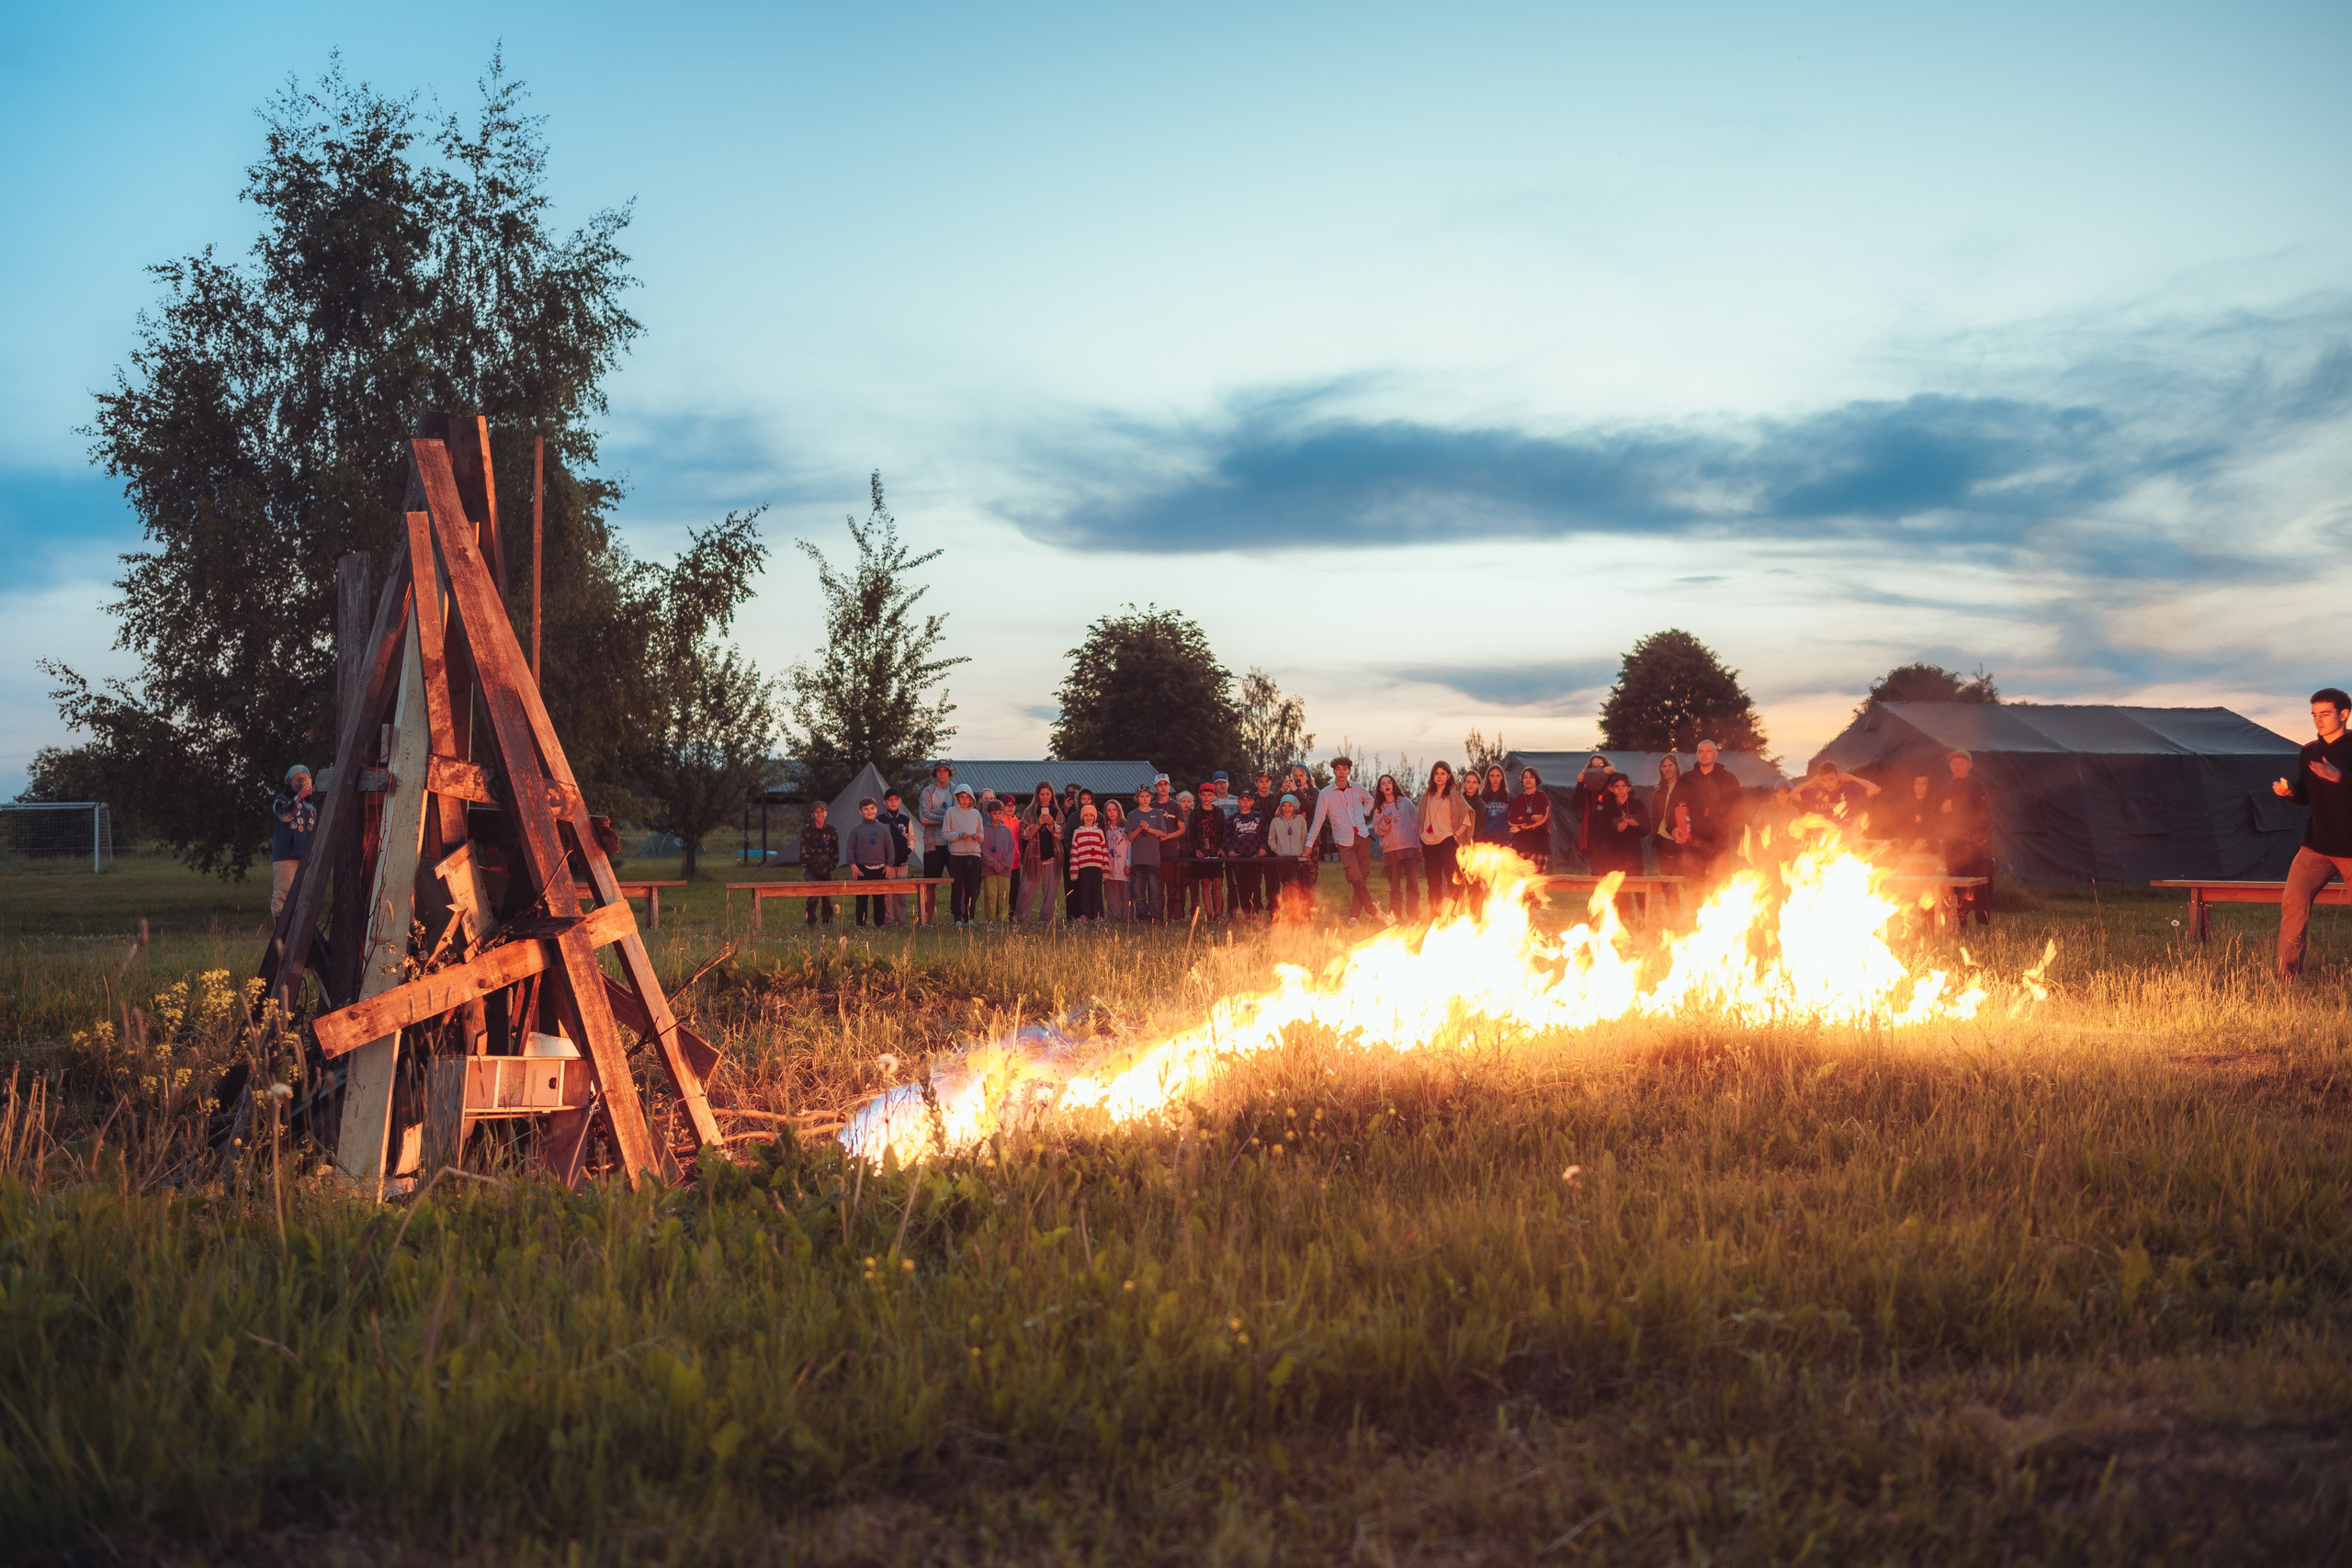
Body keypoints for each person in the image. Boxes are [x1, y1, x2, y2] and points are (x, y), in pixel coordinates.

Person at [2275, 689, 2352, 976]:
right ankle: (2287, 979)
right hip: (2317, 845)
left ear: (2343, 714)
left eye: (2325, 714)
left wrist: (2341, 778)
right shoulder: (2309, 751)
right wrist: (2292, 792)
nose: (2318, 720)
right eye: (2314, 715)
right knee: (2293, 905)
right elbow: (2307, 794)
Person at [1306, 756, 1379, 921]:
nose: (1341, 772)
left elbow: (1370, 801)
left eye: (1344, 769)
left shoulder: (1357, 788)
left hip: (1362, 837)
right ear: (1334, 771)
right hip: (1344, 841)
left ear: (1349, 771)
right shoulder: (1325, 794)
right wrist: (1309, 843)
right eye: (1338, 769)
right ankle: (1372, 910)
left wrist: (1364, 812)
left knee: (1363, 876)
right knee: (1355, 877)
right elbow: (1318, 820)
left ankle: (1354, 916)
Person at [1939, 749, 1996, 929]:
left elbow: (1982, 813)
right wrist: (1942, 812)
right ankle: (1960, 919)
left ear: (1969, 766)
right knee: (1955, 882)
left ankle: (1982, 921)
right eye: (1954, 763)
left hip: (1971, 842)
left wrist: (1977, 836)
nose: (1957, 766)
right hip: (1952, 843)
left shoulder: (1975, 785)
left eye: (1962, 763)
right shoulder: (1946, 787)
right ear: (1950, 766)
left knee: (1978, 881)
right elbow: (1939, 814)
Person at [1589, 774, 1651, 922]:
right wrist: (1617, 829)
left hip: (1634, 856)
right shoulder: (1607, 808)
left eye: (1623, 786)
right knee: (1620, 891)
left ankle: (1645, 919)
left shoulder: (1638, 805)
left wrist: (1636, 824)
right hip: (1614, 857)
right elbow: (1600, 833)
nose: (1620, 789)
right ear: (1611, 789)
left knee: (1639, 889)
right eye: (1617, 786)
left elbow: (1647, 829)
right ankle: (1625, 920)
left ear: (1629, 788)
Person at [1679, 740, 1745, 880]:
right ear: (1697, 754)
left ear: (1716, 754)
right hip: (1694, 842)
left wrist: (1723, 823)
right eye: (1701, 751)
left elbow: (1738, 807)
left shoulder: (1728, 779)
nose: (1704, 754)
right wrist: (1675, 827)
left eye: (1708, 751)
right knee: (1694, 882)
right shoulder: (1686, 779)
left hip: (1719, 841)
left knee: (1721, 882)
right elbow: (1675, 805)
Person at [1417, 761, 1469, 916]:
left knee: (1453, 879)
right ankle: (1435, 914)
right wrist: (1421, 836)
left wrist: (1455, 836)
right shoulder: (1427, 796)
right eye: (1436, 773)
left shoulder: (1454, 795)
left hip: (1447, 840)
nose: (1439, 777)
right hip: (1429, 843)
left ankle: (1454, 912)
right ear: (1432, 776)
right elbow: (1420, 818)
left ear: (1449, 776)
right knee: (1433, 882)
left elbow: (1467, 818)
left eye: (1442, 774)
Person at [1372, 773, 1422, 921]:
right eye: (1383, 783)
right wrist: (1386, 822)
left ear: (1393, 785)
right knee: (1394, 886)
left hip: (1410, 847)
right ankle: (1396, 917)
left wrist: (1419, 846)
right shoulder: (1379, 809)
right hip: (1391, 850)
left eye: (1389, 782)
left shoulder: (1406, 803)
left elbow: (1417, 824)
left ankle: (1413, 916)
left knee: (1412, 883)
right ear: (1380, 789)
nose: (1386, 785)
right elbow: (1378, 831)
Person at [269, 763, 316, 918]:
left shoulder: (310, 805)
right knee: (284, 893)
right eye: (298, 779)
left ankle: (298, 927)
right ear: (289, 781)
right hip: (286, 855)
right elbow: (285, 816)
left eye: (305, 779)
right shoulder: (280, 800)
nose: (302, 783)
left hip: (304, 856)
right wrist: (300, 796)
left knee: (303, 894)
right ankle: (281, 928)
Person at [1565, 754, 1624, 872]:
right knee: (1597, 870)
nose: (1598, 768)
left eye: (1601, 765)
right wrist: (1580, 783)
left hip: (1613, 833)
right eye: (1594, 766)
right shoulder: (1587, 789)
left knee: (1614, 869)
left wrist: (1614, 774)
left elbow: (1625, 794)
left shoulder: (1613, 784)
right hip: (1594, 835)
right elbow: (1576, 803)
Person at [1795, 759, 1882, 836]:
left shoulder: (1848, 791)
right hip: (1819, 843)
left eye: (1831, 779)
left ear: (1838, 777)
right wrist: (1812, 781)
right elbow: (1793, 795)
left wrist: (1852, 778)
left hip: (1843, 841)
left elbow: (1875, 789)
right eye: (1824, 780)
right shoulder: (1814, 793)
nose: (1828, 783)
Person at [917, 762, 956, 923]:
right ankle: (926, 919)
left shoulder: (957, 790)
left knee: (958, 882)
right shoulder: (927, 792)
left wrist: (937, 814)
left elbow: (960, 815)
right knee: (930, 884)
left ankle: (959, 918)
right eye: (939, 771)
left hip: (954, 844)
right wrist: (947, 818)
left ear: (950, 773)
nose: (942, 773)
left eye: (945, 771)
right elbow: (924, 818)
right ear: (935, 773)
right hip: (933, 843)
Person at [941, 784, 986, 926]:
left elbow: (982, 835)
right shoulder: (951, 812)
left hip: (974, 854)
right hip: (957, 854)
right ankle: (957, 918)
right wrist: (959, 835)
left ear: (972, 798)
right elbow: (945, 834)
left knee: (972, 887)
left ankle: (970, 917)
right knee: (957, 886)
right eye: (962, 797)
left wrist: (978, 837)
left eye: (967, 797)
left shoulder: (976, 814)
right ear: (957, 798)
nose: (965, 800)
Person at [1225, 784, 1272, 917]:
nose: (1245, 802)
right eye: (1242, 799)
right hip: (1239, 858)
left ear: (1252, 801)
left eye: (1248, 800)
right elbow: (1227, 837)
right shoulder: (1232, 819)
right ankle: (1246, 912)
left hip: (1254, 857)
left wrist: (1263, 848)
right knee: (1242, 885)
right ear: (1238, 801)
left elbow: (1265, 835)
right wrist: (1230, 850)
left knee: (1255, 885)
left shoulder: (1258, 817)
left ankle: (1256, 911)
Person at [846, 798, 894, 927]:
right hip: (862, 869)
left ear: (876, 810)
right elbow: (850, 848)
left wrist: (889, 865)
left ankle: (880, 924)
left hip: (880, 869)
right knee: (861, 899)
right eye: (866, 809)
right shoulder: (856, 829)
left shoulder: (883, 828)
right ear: (860, 812)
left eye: (872, 808)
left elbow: (890, 847)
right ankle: (860, 924)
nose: (869, 811)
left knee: (879, 899)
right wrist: (853, 865)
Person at [1018, 783, 1061, 922]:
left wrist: (1052, 824)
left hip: (1052, 855)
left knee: (1050, 891)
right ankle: (1020, 918)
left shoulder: (1057, 811)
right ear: (1037, 795)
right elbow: (1024, 834)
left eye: (1047, 794)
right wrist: (1038, 824)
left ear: (1052, 795)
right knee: (1027, 889)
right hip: (1033, 856)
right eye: (1042, 794)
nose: (1045, 797)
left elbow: (1062, 833)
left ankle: (1046, 919)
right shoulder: (1029, 811)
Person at [1266, 792, 1312, 918]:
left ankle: (1296, 911)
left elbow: (1304, 836)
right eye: (1284, 805)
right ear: (1281, 807)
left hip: (1296, 858)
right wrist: (1278, 850)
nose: (1287, 808)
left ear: (1294, 807)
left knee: (1294, 885)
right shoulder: (1276, 821)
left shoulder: (1300, 820)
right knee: (1286, 885)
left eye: (1290, 805)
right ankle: (1289, 911)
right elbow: (1271, 839)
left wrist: (1301, 850)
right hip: (1282, 859)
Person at [878, 789, 917, 926]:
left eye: (895, 799)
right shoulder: (880, 820)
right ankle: (889, 922)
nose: (893, 802)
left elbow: (912, 838)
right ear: (885, 802)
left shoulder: (905, 820)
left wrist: (909, 850)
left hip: (902, 863)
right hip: (886, 864)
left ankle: (901, 922)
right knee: (887, 894)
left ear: (900, 801)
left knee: (901, 894)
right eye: (890, 800)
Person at [797, 802, 840, 926]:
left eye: (822, 812)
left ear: (826, 813)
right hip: (812, 869)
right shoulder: (807, 830)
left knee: (827, 897)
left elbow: (835, 850)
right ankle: (810, 922)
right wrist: (809, 865)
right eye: (816, 812)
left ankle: (828, 922)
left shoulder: (832, 830)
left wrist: (831, 865)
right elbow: (803, 850)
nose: (819, 814)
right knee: (813, 896)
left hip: (827, 869)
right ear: (812, 814)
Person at [1188, 784, 1227, 918]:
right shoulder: (1195, 813)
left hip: (1216, 851)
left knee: (1217, 882)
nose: (1206, 797)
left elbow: (1224, 832)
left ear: (1214, 796)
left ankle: (1218, 913)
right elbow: (1191, 834)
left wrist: (1222, 847)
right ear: (1199, 796)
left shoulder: (1219, 812)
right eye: (1204, 795)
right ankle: (1209, 913)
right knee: (1205, 882)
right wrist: (1195, 850)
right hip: (1202, 852)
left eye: (1209, 795)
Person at [1125, 788, 1165, 920]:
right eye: (1141, 796)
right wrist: (1139, 829)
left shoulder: (1157, 813)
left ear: (1151, 797)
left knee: (1154, 889)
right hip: (1138, 858)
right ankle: (1142, 916)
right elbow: (1130, 837)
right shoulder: (1132, 815)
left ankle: (1156, 916)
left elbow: (1163, 834)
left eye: (1147, 796)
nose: (1144, 799)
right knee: (1138, 889)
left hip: (1153, 858)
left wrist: (1149, 829)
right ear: (1137, 798)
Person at [1068, 802, 1111, 920]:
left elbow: (1104, 850)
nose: (1088, 818)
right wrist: (1074, 871)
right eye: (1086, 815)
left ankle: (1099, 915)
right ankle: (1085, 914)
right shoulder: (1078, 832)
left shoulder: (1099, 831)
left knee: (1097, 891)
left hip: (1097, 866)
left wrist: (1106, 869)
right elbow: (1074, 851)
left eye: (1091, 815)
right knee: (1084, 891)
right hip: (1083, 866)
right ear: (1082, 817)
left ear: (1095, 817)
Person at [979, 799, 1020, 922]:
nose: (997, 816)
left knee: (1004, 895)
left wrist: (1004, 864)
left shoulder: (1007, 831)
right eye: (994, 813)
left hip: (1005, 870)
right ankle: (990, 920)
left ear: (1003, 813)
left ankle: (1003, 920)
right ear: (989, 814)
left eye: (999, 813)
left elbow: (1011, 849)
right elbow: (983, 849)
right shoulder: (984, 830)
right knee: (990, 896)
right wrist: (994, 864)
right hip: (989, 869)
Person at [1507, 765, 1553, 872]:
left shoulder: (1542, 797)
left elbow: (1543, 819)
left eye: (1531, 777)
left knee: (1537, 876)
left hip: (1539, 843)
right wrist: (1530, 818)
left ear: (1536, 779)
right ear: (1522, 780)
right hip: (1521, 843)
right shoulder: (1518, 798)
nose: (1528, 779)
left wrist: (1520, 827)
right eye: (1525, 777)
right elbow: (1511, 820)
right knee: (1518, 876)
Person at [1650, 754, 1688, 881]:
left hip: (1680, 839)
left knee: (1684, 878)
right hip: (1663, 838)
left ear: (1676, 767)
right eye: (1664, 766)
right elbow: (1655, 816)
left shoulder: (1685, 788)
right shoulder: (1659, 792)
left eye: (1670, 765)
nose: (1667, 768)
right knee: (1666, 880)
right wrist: (1655, 834)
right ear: (1661, 769)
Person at [1102, 798, 1134, 920]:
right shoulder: (1106, 829)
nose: (1111, 812)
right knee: (1112, 895)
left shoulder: (1125, 828)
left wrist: (1128, 863)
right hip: (1110, 867)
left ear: (1119, 811)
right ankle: (1114, 917)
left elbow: (1130, 846)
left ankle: (1127, 918)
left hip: (1123, 865)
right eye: (1108, 810)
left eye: (1114, 809)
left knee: (1126, 895)